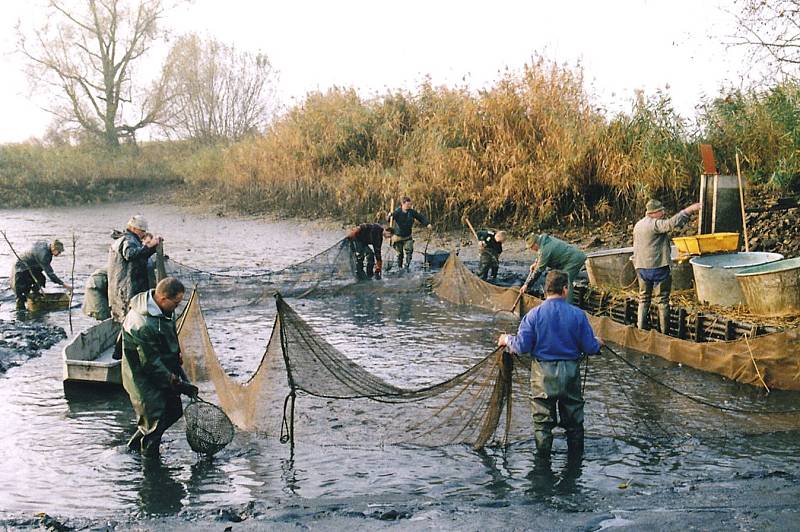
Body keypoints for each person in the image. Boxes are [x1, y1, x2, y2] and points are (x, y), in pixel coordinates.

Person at [498, 270, 602, 459]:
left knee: (543, 424)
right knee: (574, 423)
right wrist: (598, 343)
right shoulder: (578, 315)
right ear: (565, 289)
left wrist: (506, 339)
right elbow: (590, 347)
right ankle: (575, 464)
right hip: (570, 374)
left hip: (543, 377)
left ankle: (542, 466)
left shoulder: (533, 315)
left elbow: (521, 346)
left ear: (545, 290)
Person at [121, 276, 198, 455]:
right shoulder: (144, 323)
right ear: (163, 299)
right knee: (155, 419)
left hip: (160, 367)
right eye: (176, 303)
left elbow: (167, 335)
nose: (178, 306)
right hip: (141, 376)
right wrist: (176, 382)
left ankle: (132, 448)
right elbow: (150, 363)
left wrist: (175, 355)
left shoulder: (162, 310)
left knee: (173, 411)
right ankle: (151, 468)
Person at [633, 199, 701, 332]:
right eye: (661, 211)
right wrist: (689, 210)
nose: (663, 213)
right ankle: (664, 333)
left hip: (641, 268)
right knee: (662, 300)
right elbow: (671, 224)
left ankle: (640, 329)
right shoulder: (655, 225)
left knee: (643, 298)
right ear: (654, 212)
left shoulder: (638, 225)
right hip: (657, 268)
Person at [108, 215, 161, 323]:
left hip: (126, 287)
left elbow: (140, 258)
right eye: (142, 231)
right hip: (127, 288)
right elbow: (130, 254)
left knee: (131, 316)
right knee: (130, 317)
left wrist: (152, 248)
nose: (144, 233)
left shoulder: (129, 239)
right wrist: (148, 246)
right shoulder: (129, 239)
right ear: (133, 228)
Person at [520, 233, 586, 304]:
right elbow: (541, 255)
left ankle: (567, 305)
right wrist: (536, 263)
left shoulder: (545, 249)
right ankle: (559, 300)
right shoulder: (543, 241)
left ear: (535, 244)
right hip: (566, 260)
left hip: (574, 259)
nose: (531, 249)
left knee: (566, 280)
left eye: (531, 247)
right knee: (557, 278)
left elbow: (539, 270)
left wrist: (527, 284)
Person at [10, 239, 73, 310]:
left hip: (31, 265)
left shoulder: (47, 246)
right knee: (21, 292)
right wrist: (63, 284)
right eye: (59, 252)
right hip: (21, 267)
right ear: (53, 248)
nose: (59, 254)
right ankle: (21, 311)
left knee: (41, 279)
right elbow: (50, 274)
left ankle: (35, 296)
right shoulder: (44, 255)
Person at [387, 197, 432, 270]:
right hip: (397, 237)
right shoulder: (397, 212)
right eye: (407, 205)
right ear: (403, 204)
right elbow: (389, 220)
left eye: (410, 204)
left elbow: (420, 217)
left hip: (407, 236)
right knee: (400, 254)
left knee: (409, 251)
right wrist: (389, 215)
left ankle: (407, 266)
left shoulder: (411, 212)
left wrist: (427, 224)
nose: (409, 206)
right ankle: (399, 268)